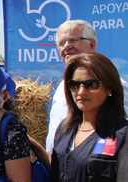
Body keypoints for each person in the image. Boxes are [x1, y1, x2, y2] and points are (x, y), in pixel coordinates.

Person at [51, 52, 128, 182]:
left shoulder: (122, 134)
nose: (81, 91)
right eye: (74, 84)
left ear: (109, 88)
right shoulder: (64, 130)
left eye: (91, 84)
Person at [46, 19, 128, 153]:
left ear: (92, 44)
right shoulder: (62, 86)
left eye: (72, 40)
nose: (66, 46)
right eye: (61, 43)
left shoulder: (113, 83)